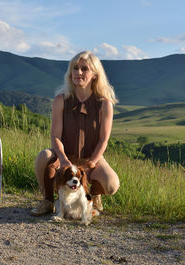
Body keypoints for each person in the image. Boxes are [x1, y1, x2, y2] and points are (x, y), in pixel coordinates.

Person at [30, 51, 120, 216]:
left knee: (112, 184)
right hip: (64, 156)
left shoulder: (105, 104)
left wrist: (91, 163)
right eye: (75, 68)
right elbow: (55, 136)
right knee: (44, 156)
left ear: (94, 75)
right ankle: (49, 200)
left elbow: (103, 139)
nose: (78, 72)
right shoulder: (60, 100)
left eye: (84, 69)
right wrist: (63, 159)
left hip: (92, 157)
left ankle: (92, 194)